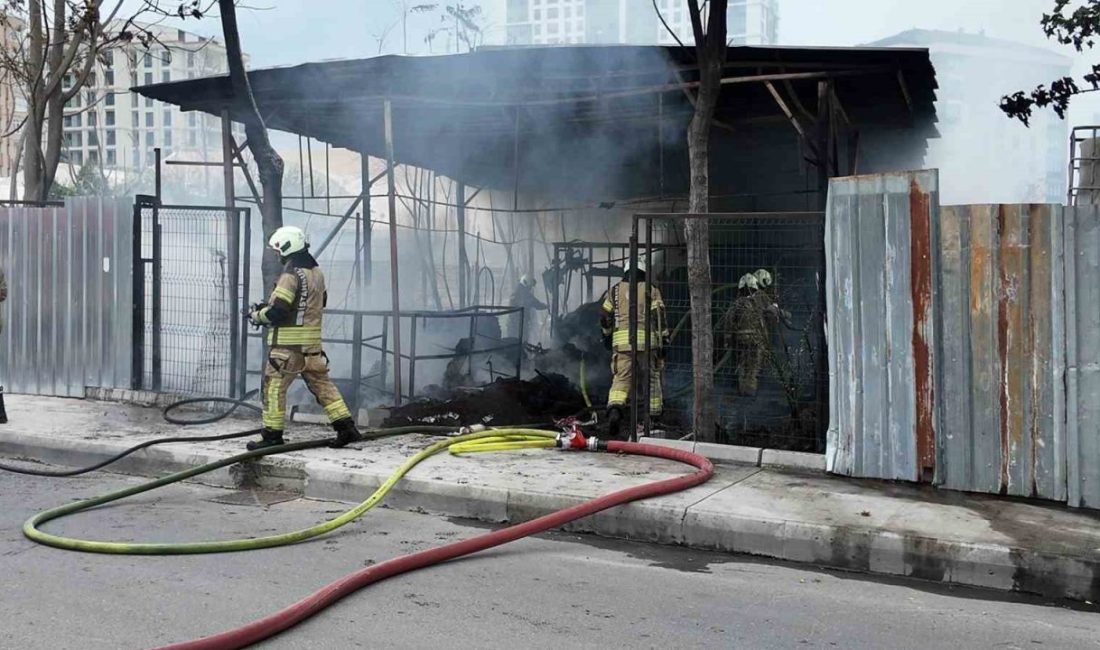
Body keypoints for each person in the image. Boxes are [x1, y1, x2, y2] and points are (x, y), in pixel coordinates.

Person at [247, 226, 359, 450]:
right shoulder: (316, 273)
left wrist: (257, 315)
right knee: (323, 387)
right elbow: (315, 304)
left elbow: (279, 312)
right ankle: (346, 429)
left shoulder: (290, 275)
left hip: (288, 348)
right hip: (312, 347)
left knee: (273, 387)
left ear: (287, 248)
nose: (278, 255)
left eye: (278, 251)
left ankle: (272, 436)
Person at [600, 262, 668, 440]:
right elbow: (658, 317)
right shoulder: (651, 290)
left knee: (621, 379)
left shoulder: (614, 290)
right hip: (647, 345)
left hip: (622, 346)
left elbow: (605, 316)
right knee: (651, 379)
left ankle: (615, 408)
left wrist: (607, 336)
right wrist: (664, 341)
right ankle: (653, 418)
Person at [506, 274, 548, 342]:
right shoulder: (524, 293)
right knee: (522, 343)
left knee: (513, 343)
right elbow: (536, 303)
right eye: (530, 286)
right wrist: (546, 306)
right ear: (526, 283)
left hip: (512, 324)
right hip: (519, 324)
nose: (530, 288)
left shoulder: (517, 290)